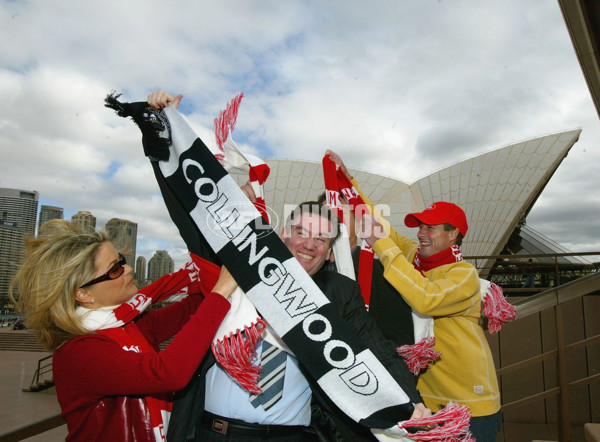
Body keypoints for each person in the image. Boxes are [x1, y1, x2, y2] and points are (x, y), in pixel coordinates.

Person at [327, 151, 502, 442]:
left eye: (430, 227)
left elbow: (425, 298)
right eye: (420, 226)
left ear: (453, 234)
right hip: (427, 401)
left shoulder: (463, 274)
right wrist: (349, 182)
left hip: (470, 403)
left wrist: (381, 246)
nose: (421, 233)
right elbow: (378, 224)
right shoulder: (414, 259)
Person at [9, 220, 235, 441]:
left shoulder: (133, 323)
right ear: (83, 294)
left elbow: (192, 308)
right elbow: (167, 373)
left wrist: (220, 222)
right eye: (115, 270)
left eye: (122, 261)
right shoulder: (79, 351)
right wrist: (222, 289)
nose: (128, 269)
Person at [316, 190, 415, 347]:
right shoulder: (310, 271)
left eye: (341, 210)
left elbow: (400, 340)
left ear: (359, 221)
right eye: (326, 212)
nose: (334, 217)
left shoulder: (382, 275)